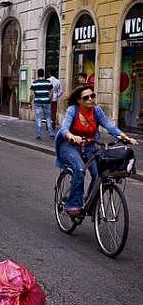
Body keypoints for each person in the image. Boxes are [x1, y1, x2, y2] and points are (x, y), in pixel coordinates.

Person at [55, 85, 138, 216]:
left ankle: (91, 203)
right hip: (70, 146)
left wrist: (124, 137)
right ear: (79, 100)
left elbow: (109, 125)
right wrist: (71, 136)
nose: (90, 99)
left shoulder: (96, 110)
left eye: (92, 96)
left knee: (99, 174)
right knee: (79, 169)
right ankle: (73, 204)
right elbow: (64, 127)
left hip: (89, 147)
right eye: (86, 97)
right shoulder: (73, 110)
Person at [30, 69, 54, 141]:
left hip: (38, 102)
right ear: (43, 74)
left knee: (38, 118)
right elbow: (51, 91)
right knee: (48, 118)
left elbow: (31, 94)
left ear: (38, 74)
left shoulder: (34, 83)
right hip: (46, 101)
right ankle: (51, 134)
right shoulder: (48, 82)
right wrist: (49, 98)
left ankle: (38, 135)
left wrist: (31, 101)